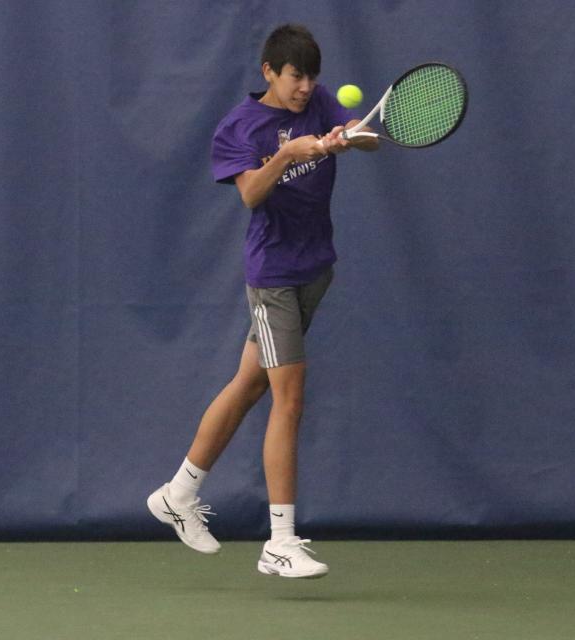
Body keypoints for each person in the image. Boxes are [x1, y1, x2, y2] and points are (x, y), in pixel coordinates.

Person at [148, 23, 378, 579]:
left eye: (311, 77)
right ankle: (279, 542)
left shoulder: (318, 102)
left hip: (315, 269)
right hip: (273, 277)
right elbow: (251, 194)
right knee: (290, 400)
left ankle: (177, 494)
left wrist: (353, 135)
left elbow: (349, 131)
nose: (305, 88)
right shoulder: (240, 127)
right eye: (296, 76)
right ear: (269, 72)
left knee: (248, 385)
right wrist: (290, 153)